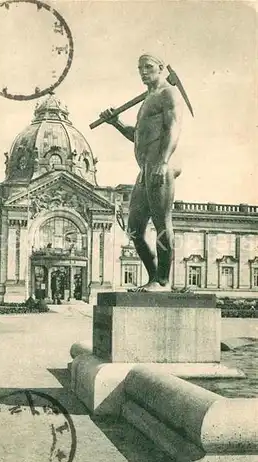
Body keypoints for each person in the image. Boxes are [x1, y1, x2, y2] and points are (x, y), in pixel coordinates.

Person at [100, 54, 183, 291]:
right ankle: (154, 277)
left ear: (161, 68)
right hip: (145, 169)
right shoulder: (149, 99)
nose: (143, 72)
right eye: (140, 68)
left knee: (161, 223)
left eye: (148, 67)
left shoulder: (168, 93)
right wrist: (115, 122)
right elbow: (138, 136)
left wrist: (164, 161)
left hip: (160, 165)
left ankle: (163, 281)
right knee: (134, 228)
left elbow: (174, 127)